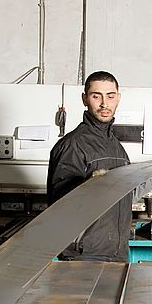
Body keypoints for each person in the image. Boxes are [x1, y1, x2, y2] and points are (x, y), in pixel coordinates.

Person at [46, 71, 131, 262]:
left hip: (116, 252)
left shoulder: (116, 146)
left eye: (110, 96)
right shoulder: (73, 145)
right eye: (96, 96)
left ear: (118, 98)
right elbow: (60, 201)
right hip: (85, 255)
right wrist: (88, 184)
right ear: (85, 99)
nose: (104, 104)